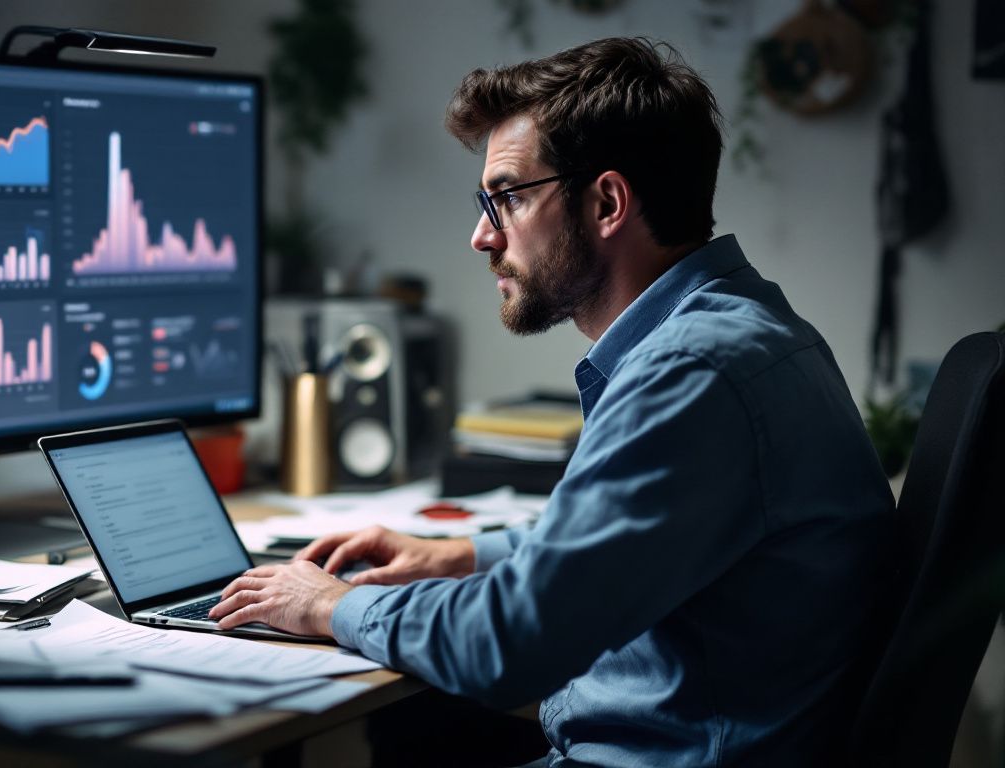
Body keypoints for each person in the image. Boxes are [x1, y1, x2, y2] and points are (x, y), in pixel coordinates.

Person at [211, 37, 895, 766]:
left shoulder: (692, 372)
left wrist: (327, 604)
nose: (482, 234)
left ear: (605, 202)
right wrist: (455, 555)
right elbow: (618, 546)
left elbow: (506, 646)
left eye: (506, 196)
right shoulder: (748, 330)